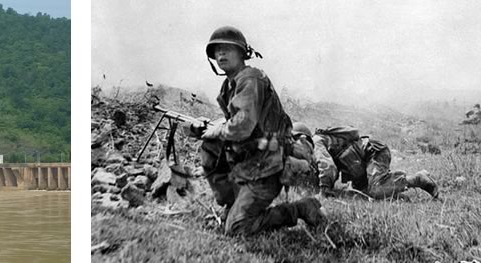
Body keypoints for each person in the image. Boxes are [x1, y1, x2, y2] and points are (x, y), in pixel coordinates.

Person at [186, 26, 325, 236]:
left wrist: (219, 129)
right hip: (250, 162)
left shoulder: (250, 79)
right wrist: (205, 127)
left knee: (237, 228)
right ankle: (232, 204)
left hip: (268, 163)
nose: (221, 54)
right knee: (211, 146)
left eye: (227, 48)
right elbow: (234, 123)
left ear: (242, 53)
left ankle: (301, 208)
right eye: (217, 50)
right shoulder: (230, 85)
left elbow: (242, 125)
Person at [307, 127, 439, 200]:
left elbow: (327, 166)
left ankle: (417, 179)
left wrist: (324, 189)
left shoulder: (316, 141)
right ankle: (396, 195)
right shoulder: (319, 142)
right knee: (363, 194)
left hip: (373, 152)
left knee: (376, 189)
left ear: (302, 138)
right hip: (364, 162)